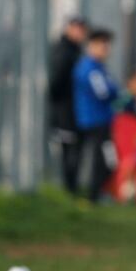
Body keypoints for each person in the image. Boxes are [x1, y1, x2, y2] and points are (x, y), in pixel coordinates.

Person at [73, 29, 118, 202]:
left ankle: (96, 193)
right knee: (105, 160)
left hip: (100, 119)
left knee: (105, 160)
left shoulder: (99, 67)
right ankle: (93, 195)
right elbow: (104, 92)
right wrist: (116, 92)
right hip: (95, 120)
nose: (106, 49)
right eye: (102, 45)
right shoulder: (89, 68)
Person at [48, 17, 88, 194]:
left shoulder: (75, 50)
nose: (80, 33)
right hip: (65, 110)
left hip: (73, 109)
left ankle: (72, 188)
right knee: (69, 149)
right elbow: (56, 82)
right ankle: (69, 188)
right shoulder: (64, 52)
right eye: (77, 28)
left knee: (74, 149)